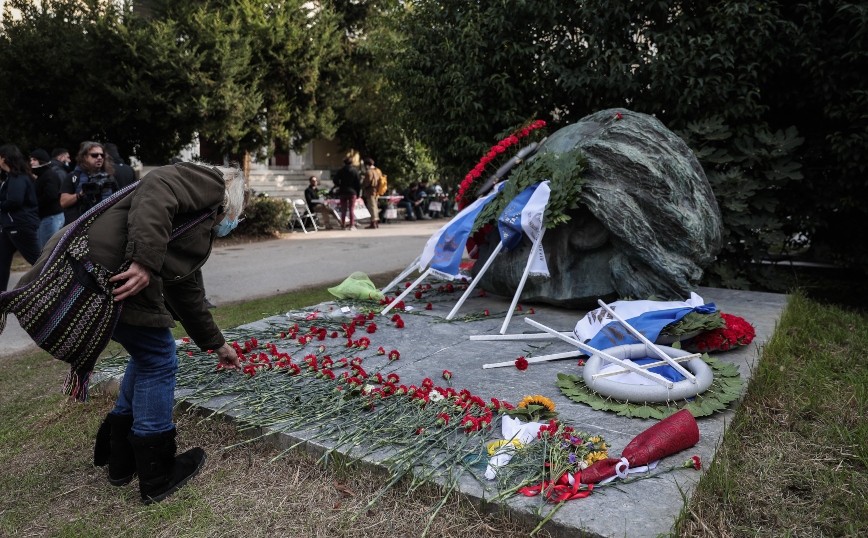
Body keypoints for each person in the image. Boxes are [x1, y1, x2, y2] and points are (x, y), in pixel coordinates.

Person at [17, 162, 247, 504]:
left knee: (148, 354)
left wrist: (218, 345)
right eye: (234, 215)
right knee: (159, 360)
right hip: (109, 268)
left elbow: (187, 294)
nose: (229, 223)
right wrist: (143, 260)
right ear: (230, 201)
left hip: (111, 272)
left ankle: (120, 456)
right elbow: (157, 185)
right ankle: (157, 472)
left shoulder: (196, 228)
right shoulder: (213, 183)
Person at [0, 144, 41, 291]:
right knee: (2, 261)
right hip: (10, 226)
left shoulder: (17, 178)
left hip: (19, 225)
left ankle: (59, 285)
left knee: (38, 261)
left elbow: (15, 201)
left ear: (4, 159)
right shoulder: (14, 177)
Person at [59, 141, 116, 226]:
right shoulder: (73, 176)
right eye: (94, 155)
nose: (99, 157)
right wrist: (81, 194)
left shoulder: (109, 178)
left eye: (102, 155)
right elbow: (63, 202)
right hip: (80, 224)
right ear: (85, 157)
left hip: (104, 223)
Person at [30, 148, 66, 249]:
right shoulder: (42, 176)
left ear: (41, 161)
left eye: (34, 160)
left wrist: (35, 204)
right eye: (31, 160)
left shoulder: (49, 175)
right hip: (47, 217)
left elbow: (50, 195)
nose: (31, 162)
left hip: (50, 217)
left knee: (48, 249)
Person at [334, 157, 361, 230]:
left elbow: (335, 180)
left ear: (344, 163)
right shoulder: (355, 171)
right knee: (351, 209)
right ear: (351, 163)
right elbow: (358, 183)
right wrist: (358, 193)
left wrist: (339, 185)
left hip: (343, 191)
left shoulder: (340, 171)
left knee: (343, 209)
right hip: (352, 191)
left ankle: (343, 225)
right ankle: (352, 225)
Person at [361, 158, 382, 229]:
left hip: (370, 192)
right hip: (376, 191)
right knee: (375, 207)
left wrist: (363, 180)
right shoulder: (377, 171)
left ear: (367, 165)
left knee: (372, 207)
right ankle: (376, 222)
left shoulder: (369, 172)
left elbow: (367, 183)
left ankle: (373, 223)